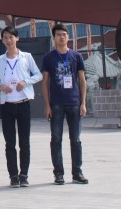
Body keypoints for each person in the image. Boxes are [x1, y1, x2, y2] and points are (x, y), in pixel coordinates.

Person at [0, 26, 43, 188]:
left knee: (24, 142)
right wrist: (0, 86)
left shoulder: (26, 57)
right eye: (5, 38)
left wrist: (26, 82)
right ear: (2, 40)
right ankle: (13, 176)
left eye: (10, 37)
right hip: (7, 105)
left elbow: (38, 74)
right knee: (9, 143)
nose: (8, 40)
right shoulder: (0, 60)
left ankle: (24, 175)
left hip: (23, 104)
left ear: (17, 38)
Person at [42, 23, 89, 185]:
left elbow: (82, 80)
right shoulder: (48, 57)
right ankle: (58, 174)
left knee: (75, 139)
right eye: (58, 35)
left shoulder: (76, 56)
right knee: (56, 139)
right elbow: (45, 82)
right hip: (56, 104)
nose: (62, 37)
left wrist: (83, 103)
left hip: (74, 103)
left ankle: (77, 172)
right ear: (54, 38)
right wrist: (47, 105)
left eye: (64, 34)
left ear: (68, 37)